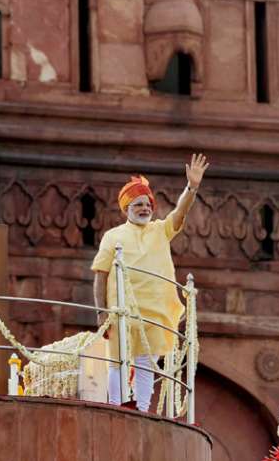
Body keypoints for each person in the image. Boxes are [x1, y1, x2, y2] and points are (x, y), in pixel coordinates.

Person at [91, 154, 209, 412]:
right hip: (121, 313)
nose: (145, 208)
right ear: (126, 209)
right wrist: (102, 314)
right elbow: (100, 276)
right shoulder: (113, 236)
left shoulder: (160, 230)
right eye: (138, 204)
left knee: (146, 365)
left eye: (148, 204)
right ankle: (115, 408)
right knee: (117, 363)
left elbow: (180, 212)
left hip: (154, 312)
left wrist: (192, 187)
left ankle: (142, 410)